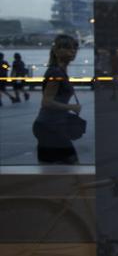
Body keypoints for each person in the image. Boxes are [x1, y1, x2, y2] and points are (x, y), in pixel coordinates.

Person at [33, 35, 81, 164]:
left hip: (49, 126)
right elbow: (46, 102)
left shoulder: (59, 71)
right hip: (50, 127)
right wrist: (72, 107)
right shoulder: (56, 73)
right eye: (68, 48)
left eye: (75, 48)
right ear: (56, 51)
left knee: (50, 169)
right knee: (73, 167)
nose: (73, 51)